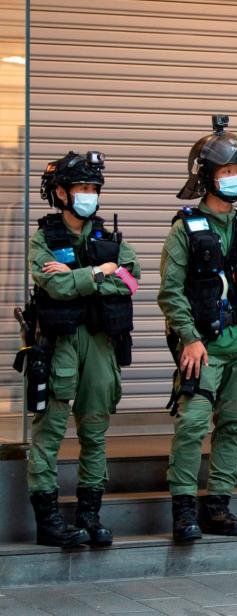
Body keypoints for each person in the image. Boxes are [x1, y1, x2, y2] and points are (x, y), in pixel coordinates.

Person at [160, 117, 237, 542]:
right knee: (192, 422)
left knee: (234, 424)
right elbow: (171, 293)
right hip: (204, 344)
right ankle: (184, 508)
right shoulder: (184, 230)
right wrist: (189, 337)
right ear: (206, 177)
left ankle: (218, 505)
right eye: (227, 172)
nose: (235, 179)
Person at [23, 151, 139, 548]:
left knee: (95, 430)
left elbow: (131, 281)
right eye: (81, 188)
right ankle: (49, 520)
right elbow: (53, 287)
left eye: (93, 188)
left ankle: (89, 514)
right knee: (50, 431)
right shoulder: (44, 239)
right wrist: (98, 272)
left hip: (101, 344)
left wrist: (80, 277)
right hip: (60, 345)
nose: (89, 195)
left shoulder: (110, 238)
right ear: (60, 193)